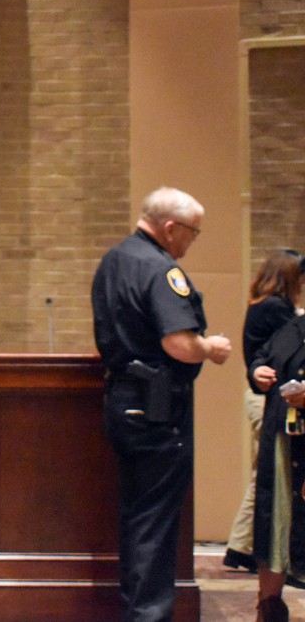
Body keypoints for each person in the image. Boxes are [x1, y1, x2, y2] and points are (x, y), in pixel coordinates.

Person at [91, 185, 232, 622]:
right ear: (171, 228)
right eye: (193, 232)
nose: (192, 241)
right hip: (157, 409)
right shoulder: (160, 269)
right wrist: (210, 347)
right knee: (154, 524)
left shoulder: (114, 261)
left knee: (137, 518)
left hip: (122, 399)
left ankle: (137, 612)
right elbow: (177, 343)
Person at [224, 251, 304, 576]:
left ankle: (241, 546)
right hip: (273, 401)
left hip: (265, 396)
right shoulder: (276, 309)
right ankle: (246, 547)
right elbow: (291, 342)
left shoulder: (262, 303)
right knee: (268, 475)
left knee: (264, 474)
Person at [247, 298, 305, 620]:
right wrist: (258, 372)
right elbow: (261, 357)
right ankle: (268, 607)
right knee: (274, 526)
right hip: (283, 444)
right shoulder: (291, 328)